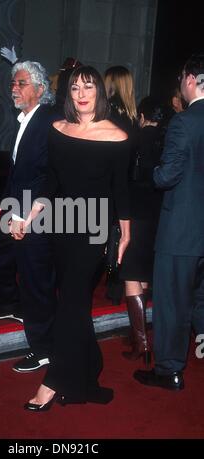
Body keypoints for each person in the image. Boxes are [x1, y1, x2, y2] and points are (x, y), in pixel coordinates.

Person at [12, 65, 130, 411]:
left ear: (100, 93)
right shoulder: (57, 130)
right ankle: (89, 364)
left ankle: (53, 381)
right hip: (61, 226)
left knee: (70, 304)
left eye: (88, 87)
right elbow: (50, 183)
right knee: (74, 304)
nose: (81, 94)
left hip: (93, 230)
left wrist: (125, 235)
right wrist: (28, 216)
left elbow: (121, 190)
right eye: (75, 88)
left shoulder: (116, 135)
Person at [0, 61, 60, 373]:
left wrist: (26, 216)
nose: (14, 88)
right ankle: (11, 305)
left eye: (21, 83)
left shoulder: (47, 122)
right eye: (13, 83)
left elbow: (47, 175)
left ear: (40, 90)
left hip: (38, 211)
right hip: (15, 205)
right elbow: (16, 172)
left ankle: (44, 349)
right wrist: (1, 208)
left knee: (36, 280)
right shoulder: (25, 119)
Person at [134, 53, 204, 391]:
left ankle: (169, 370)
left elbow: (167, 176)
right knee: (201, 301)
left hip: (181, 232)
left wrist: (153, 170)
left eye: (181, 78)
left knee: (172, 304)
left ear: (190, 78)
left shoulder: (183, 122)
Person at [119, 96, 165, 365]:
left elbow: (125, 180)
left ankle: (142, 344)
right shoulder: (168, 138)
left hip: (137, 215)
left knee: (131, 275)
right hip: (159, 216)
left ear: (143, 115)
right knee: (144, 274)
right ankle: (138, 334)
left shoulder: (135, 139)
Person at [103, 65, 139, 306]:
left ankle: (113, 281)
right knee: (117, 231)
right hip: (126, 182)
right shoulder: (132, 116)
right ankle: (115, 280)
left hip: (107, 181)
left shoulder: (108, 112)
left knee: (109, 232)